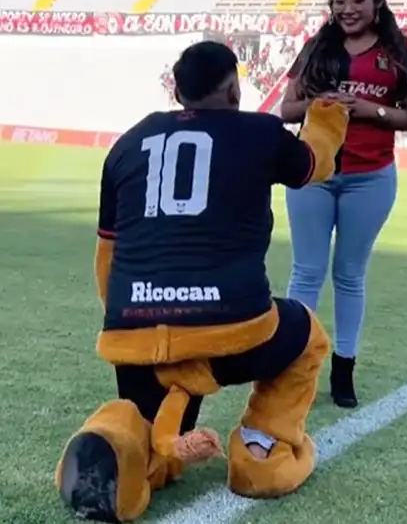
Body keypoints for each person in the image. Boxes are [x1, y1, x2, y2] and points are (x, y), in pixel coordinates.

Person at [55, 41, 348, 522]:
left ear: (177, 90)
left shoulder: (127, 143)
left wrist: (141, 322)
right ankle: (260, 451)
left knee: (153, 438)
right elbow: (315, 163)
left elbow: (107, 253)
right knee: (306, 337)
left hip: (135, 334)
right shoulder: (260, 131)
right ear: (234, 87)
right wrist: (326, 115)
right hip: (230, 331)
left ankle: (116, 437)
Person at [280, 0, 407, 408]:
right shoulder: (316, 48)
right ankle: (291, 365)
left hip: (370, 176)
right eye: (340, 0)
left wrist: (368, 109)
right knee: (305, 271)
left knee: (349, 274)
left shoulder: (402, 51)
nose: (347, 9)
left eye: (357, 0)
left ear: (377, 2)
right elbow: (287, 110)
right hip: (313, 171)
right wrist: (319, 103)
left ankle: (343, 368)